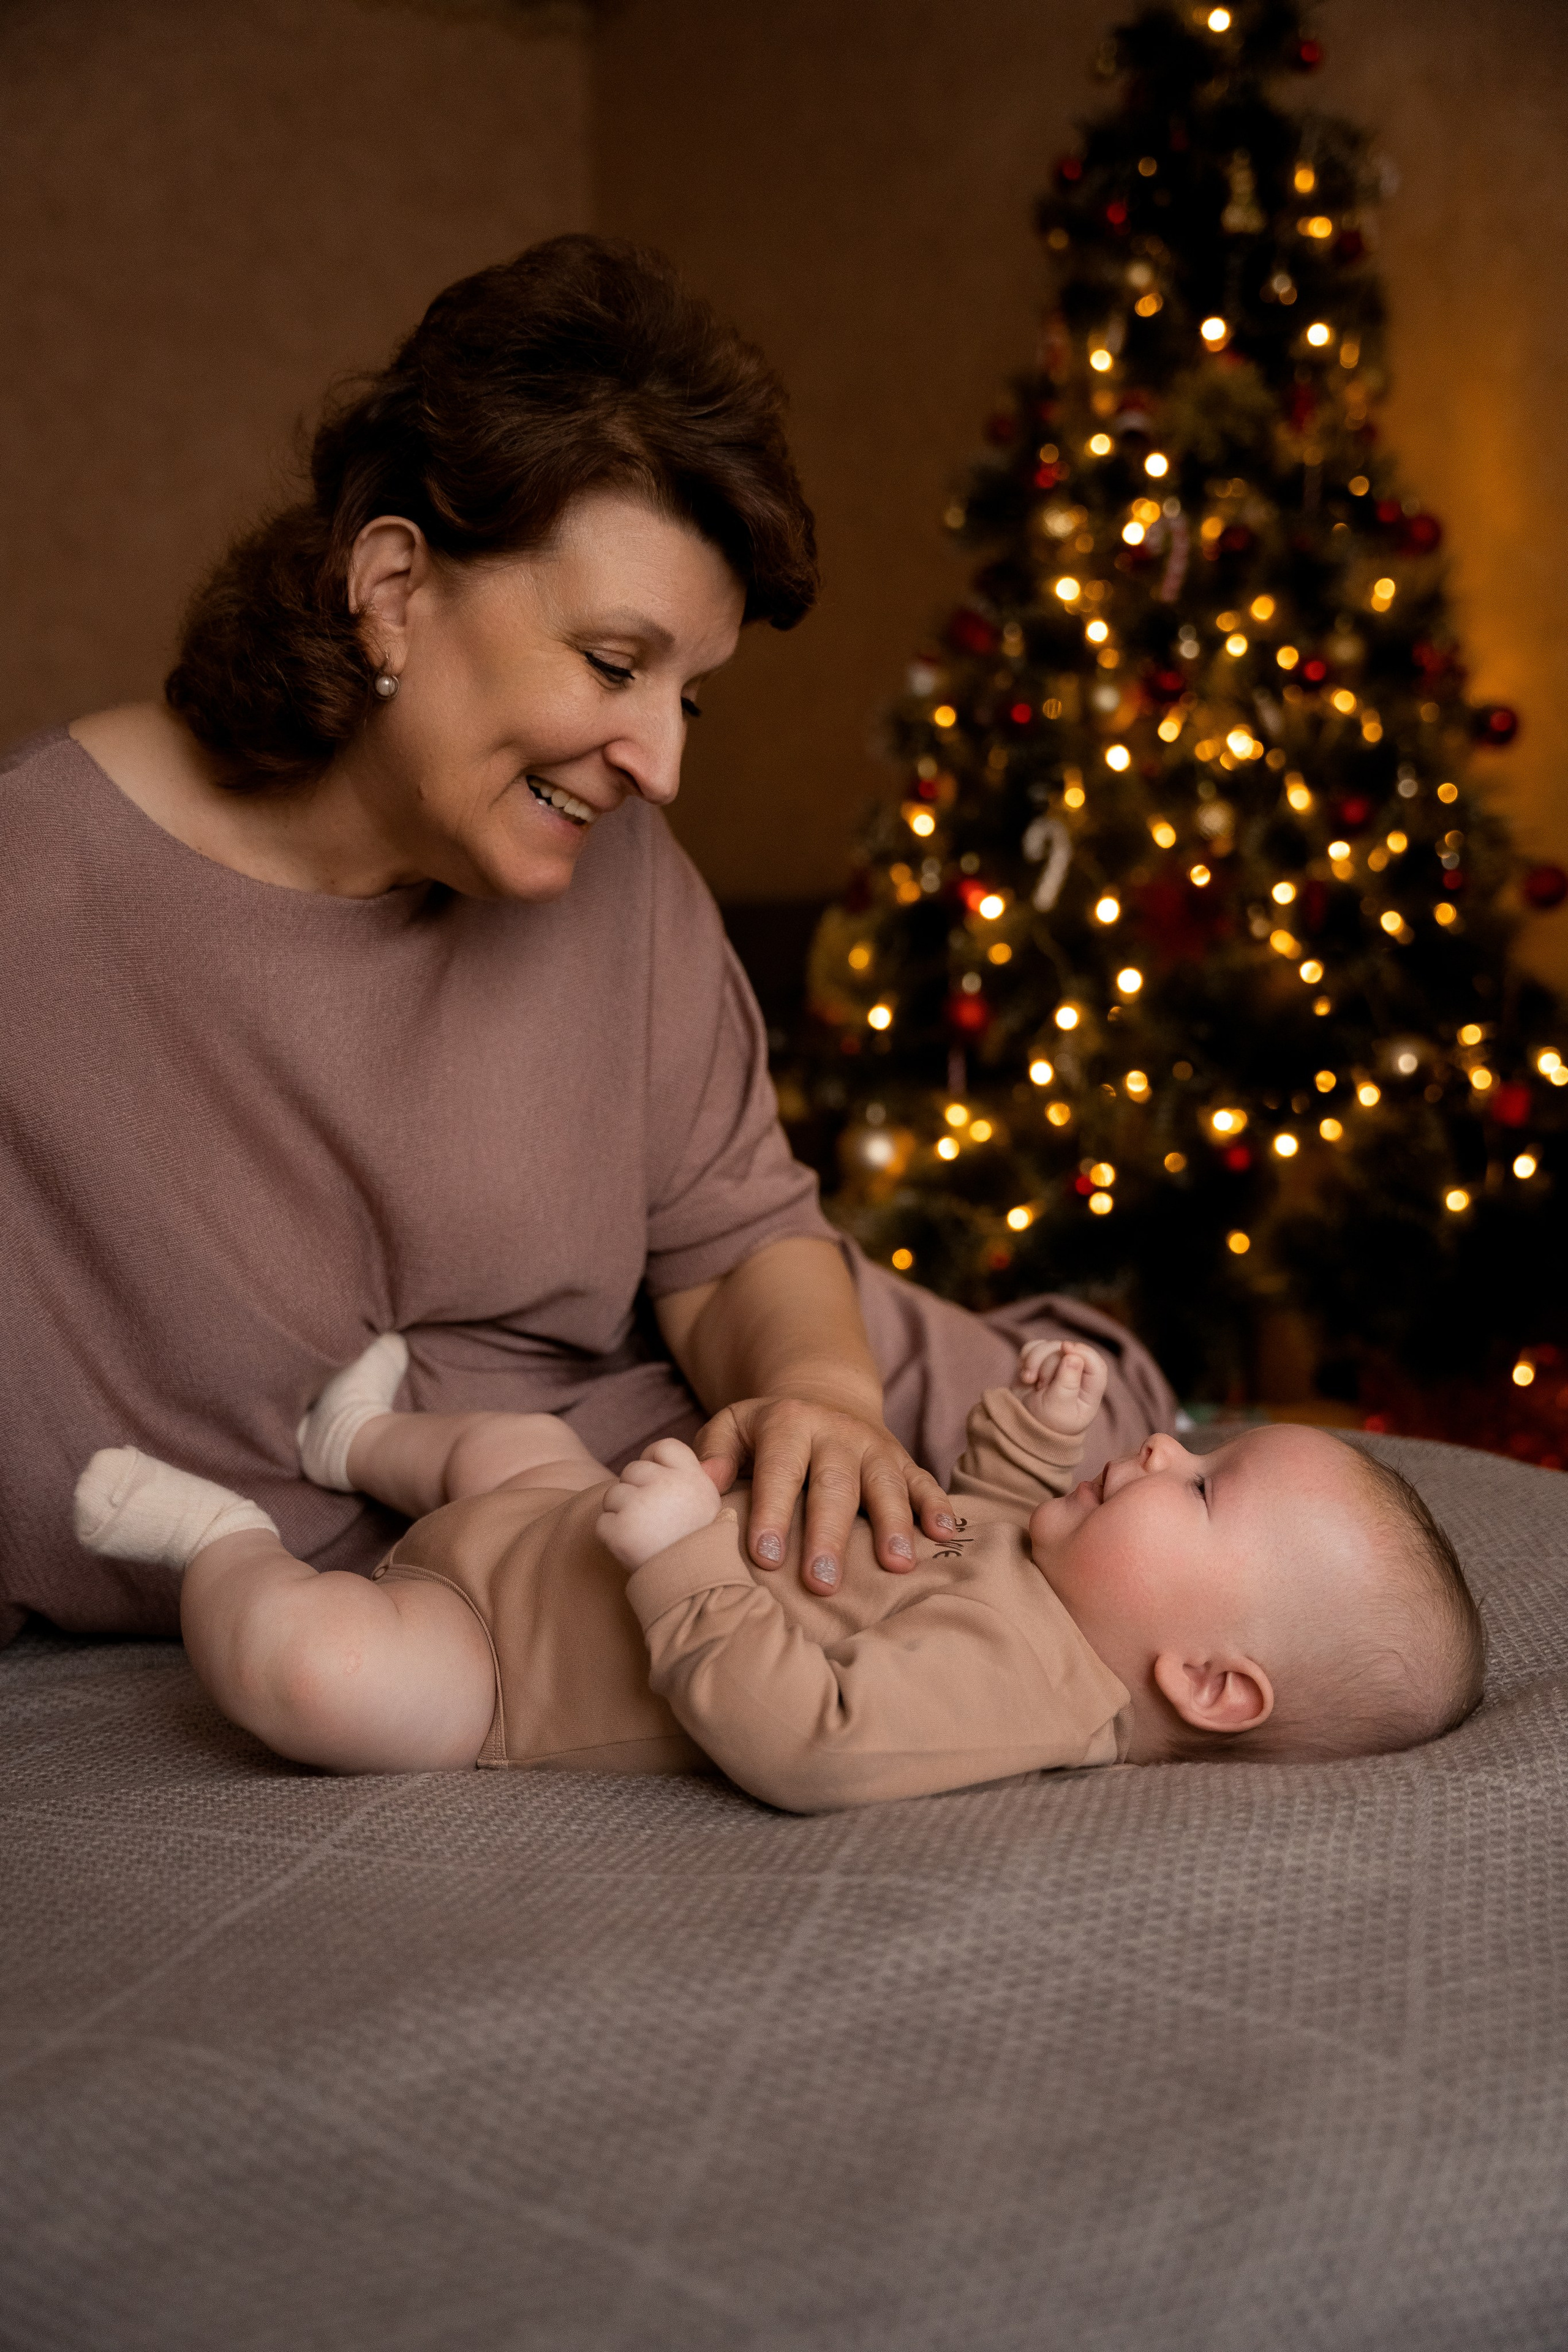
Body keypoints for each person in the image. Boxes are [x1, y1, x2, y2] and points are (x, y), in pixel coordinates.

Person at [0, 233, 1173, 1652]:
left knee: (1160, 1493)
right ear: (389, 590)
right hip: (537, 1575)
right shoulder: (40, 903)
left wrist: (822, 1398)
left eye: (693, 698)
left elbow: (738, 1241)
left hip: (794, 1441)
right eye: (617, 666)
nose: (662, 765)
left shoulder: (611, 870)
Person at [74, 1336, 1483, 1811]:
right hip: (576, 1520)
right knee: (507, 1448)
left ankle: (222, 1544)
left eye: (1202, 1494)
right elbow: (954, 1524)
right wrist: (1026, 1435)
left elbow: (812, 1741)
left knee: (312, 1674)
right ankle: (356, 1436)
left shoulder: (1030, 1699)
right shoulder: (1055, 1591)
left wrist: (685, 1553)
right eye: (1195, 1451)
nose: (1161, 1459)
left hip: (500, 1665)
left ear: (1205, 1682)